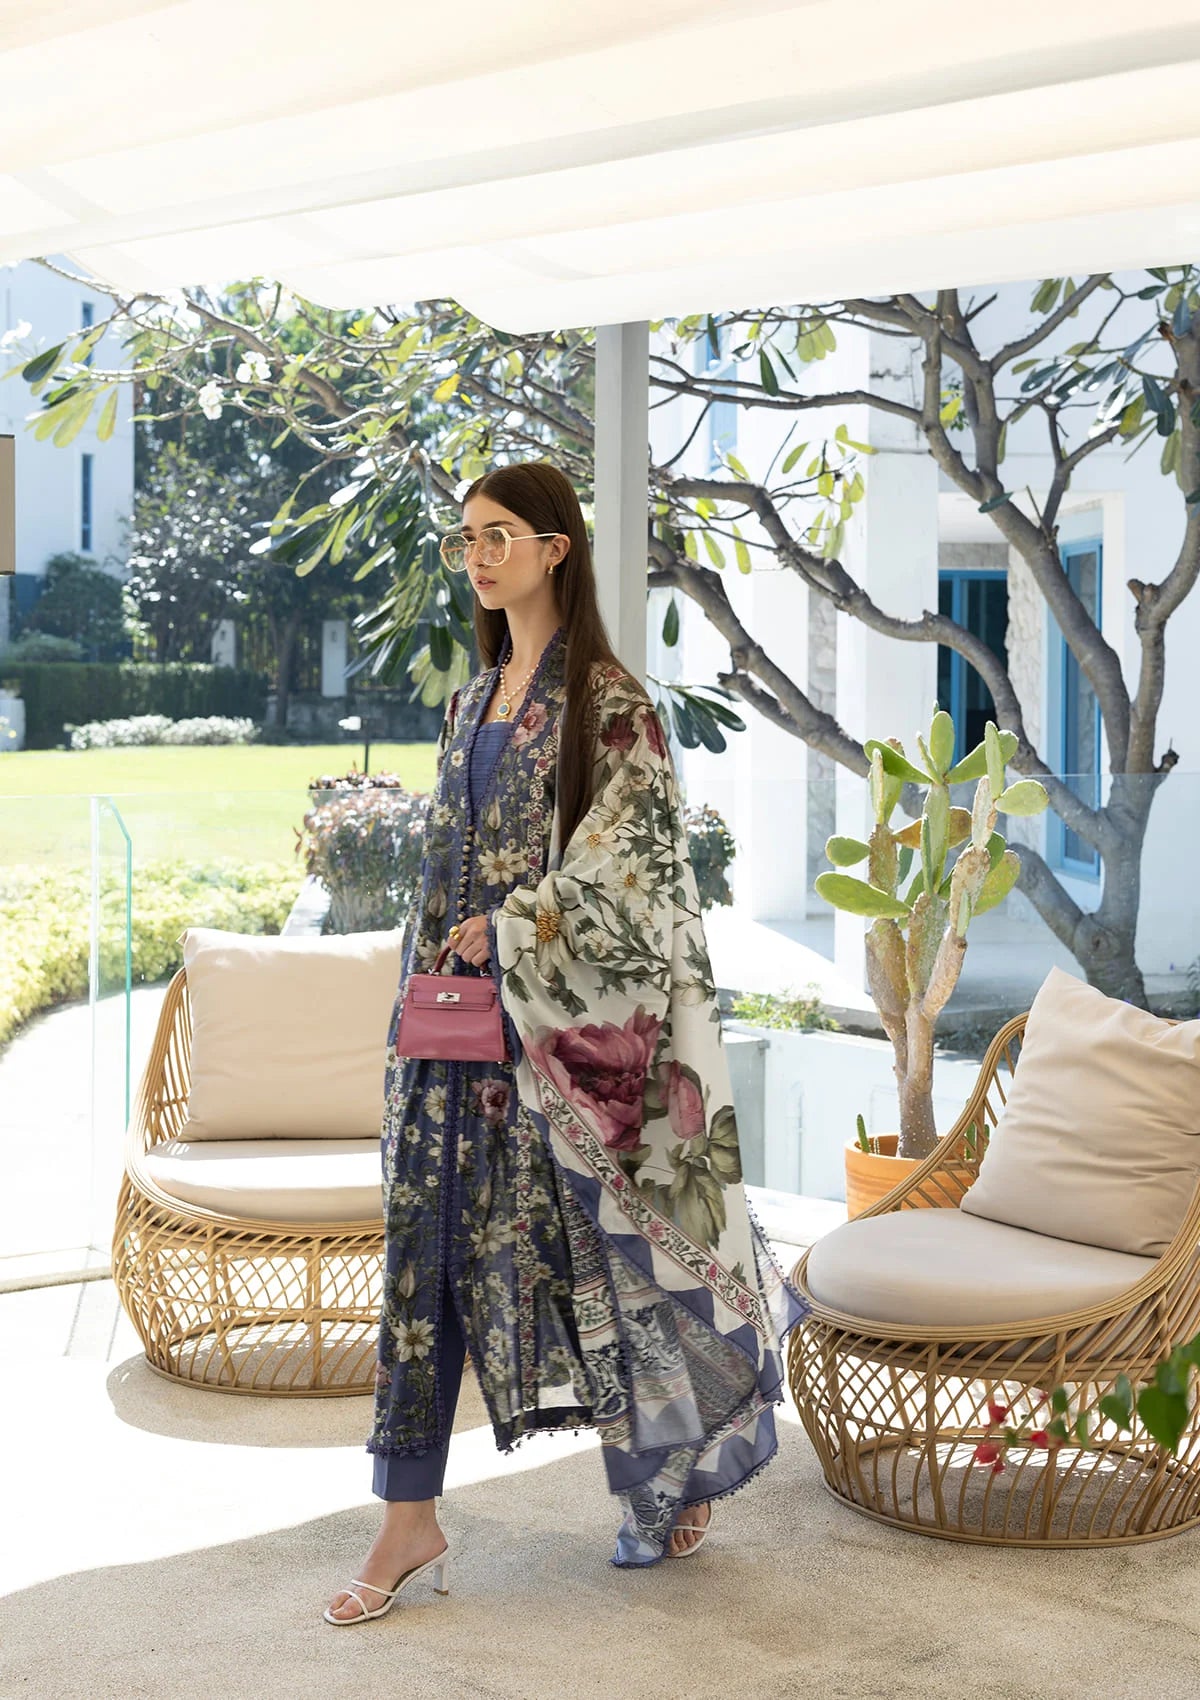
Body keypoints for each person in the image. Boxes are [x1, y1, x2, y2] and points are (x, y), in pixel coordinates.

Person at [325, 460, 805, 1625]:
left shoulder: (610, 705)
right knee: (424, 1255)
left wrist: (517, 926)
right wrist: (420, 996)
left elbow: (639, 876)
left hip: (557, 1041)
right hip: (452, 1029)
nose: (478, 557)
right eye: (466, 538)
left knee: (604, 1254)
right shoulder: (469, 703)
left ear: (556, 548)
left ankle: (673, 1464)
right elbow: (441, 874)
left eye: (500, 535)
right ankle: (406, 1512)